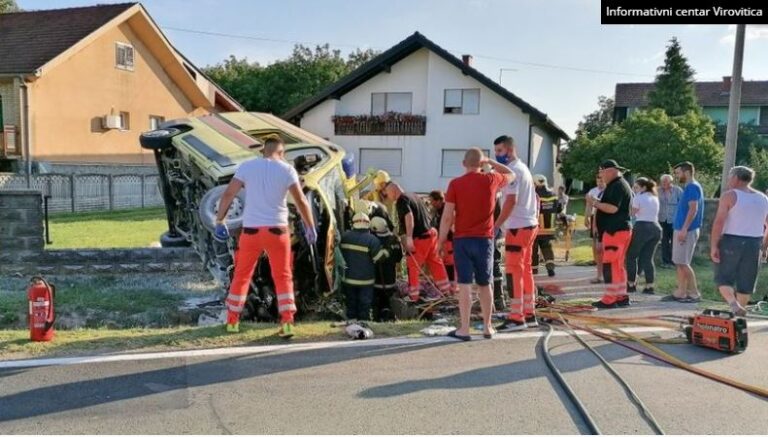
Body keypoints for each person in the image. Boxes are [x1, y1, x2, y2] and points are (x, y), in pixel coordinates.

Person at [215, 136, 317, 338]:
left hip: (251, 232)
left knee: (242, 275)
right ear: (282, 152)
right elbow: (301, 201)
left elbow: (228, 194)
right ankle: (287, 322)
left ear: (263, 150)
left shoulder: (247, 167)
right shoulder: (287, 170)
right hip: (278, 231)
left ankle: (232, 322)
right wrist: (310, 226)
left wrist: (220, 221)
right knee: (283, 276)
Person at [438, 148, 514, 340]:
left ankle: (464, 329)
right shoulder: (491, 179)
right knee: (484, 283)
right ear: (482, 164)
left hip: (462, 240)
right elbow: (511, 174)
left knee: (464, 284)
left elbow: (447, 217)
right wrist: (492, 163)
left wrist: (440, 241)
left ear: (464, 163)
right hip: (484, 240)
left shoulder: (455, 184)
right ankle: (487, 327)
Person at [493, 135, 540, 330]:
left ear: (509, 150)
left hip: (518, 227)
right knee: (525, 270)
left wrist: (496, 225)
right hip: (529, 225)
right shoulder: (524, 169)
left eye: (499, 151)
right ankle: (528, 312)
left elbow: (511, 201)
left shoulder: (513, 171)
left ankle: (516, 317)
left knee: (513, 271)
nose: (497, 156)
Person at [710, 166, 768, 316]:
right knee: (746, 281)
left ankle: (733, 304)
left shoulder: (730, 195)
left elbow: (719, 222)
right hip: (755, 242)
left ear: (735, 178)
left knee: (723, 277)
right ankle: (739, 311)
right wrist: (764, 246)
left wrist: (714, 245)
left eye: (729, 177)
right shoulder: (763, 198)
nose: (728, 180)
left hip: (732, 240)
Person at [384, 182, 452, 302]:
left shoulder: (402, 200)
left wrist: (409, 238)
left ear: (393, 191)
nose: (388, 197)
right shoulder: (414, 196)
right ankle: (446, 292)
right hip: (431, 234)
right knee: (436, 264)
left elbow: (409, 216)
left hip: (420, 238)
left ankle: (413, 297)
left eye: (387, 194)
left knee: (412, 267)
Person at [591, 160, 633, 309]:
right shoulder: (619, 184)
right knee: (618, 264)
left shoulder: (617, 186)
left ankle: (610, 298)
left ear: (608, 171)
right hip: (619, 230)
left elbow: (613, 208)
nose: (601, 176)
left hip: (615, 231)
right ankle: (621, 295)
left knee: (610, 264)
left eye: (601, 172)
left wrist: (595, 203)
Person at [665, 161, 704, 303]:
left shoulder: (692, 187)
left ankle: (694, 293)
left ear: (686, 172)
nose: (676, 176)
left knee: (684, 263)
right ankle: (681, 292)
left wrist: (684, 229)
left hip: (686, 230)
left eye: (677, 172)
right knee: (679, 262)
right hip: (682, 229)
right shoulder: (689, 187)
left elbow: (693, 209)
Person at [340, 213, 388, 321]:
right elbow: (378, 258)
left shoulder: (344, 237)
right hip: (366, 281)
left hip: (348, 279)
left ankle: (351, 323)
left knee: (351, 304)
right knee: (364, 305)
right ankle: (364, 324)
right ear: (368, 224)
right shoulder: (372, 240)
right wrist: (386, 252)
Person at [625, 178, 661, 294]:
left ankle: (631, 283)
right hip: (655, 228)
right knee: (647, 258)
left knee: (631, 256)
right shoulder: (654, 198)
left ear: (643, 187)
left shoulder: (639, 197)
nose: (634, 190)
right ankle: (649, 286)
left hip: (642, 226)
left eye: (636, 187)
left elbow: (632, 213)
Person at [370, 216, 403, 321]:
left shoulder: (373, 240)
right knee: (388, 302)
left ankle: (379, 317)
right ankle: (389, 316)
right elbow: (399, 258)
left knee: (378, 303)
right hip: (390, 279)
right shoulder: (394, 239)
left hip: (377, 280)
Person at [429, 190, 457, 293]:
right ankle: (446, 287)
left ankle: (452, 287)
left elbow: (451, 225)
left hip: (449, 240)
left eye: (432, 201)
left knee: (450, 264)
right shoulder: (437, 211)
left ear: (439, 200)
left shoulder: (447, 209)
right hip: (441, 241)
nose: (431, 203)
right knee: (444, 263)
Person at [533, 174, 558, 277]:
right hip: (549, 227)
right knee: (547, 247)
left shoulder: (534, 195)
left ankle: (534, 270)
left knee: (533, 249)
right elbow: (558, 208)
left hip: (536, 227)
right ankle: (550, 268)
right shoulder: (553, 194)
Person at [657, 174, 683, 268]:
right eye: (662, 181)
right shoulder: (658, 190)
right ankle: (665, 261)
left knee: (674, 242)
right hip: (662, 219)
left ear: (670, 182)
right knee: (664, 241)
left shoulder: (678, 190)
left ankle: (674, 261)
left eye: (665, 181)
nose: (663, 183)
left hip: (674, 220)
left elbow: (683, 205)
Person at [584, 174, 606, 283]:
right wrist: (586, 217)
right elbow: (588, 205)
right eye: (598, 181)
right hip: (594, 216)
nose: (600, 183)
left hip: (605, 217)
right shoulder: (592, 191)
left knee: (603, 242)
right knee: (595, 240)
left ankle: (603, 263)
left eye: (601, 181)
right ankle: (596, 259)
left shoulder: (608, 191)